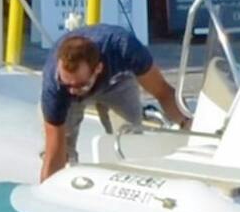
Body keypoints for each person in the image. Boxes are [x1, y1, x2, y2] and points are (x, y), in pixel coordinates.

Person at [39, 25, 177, 179]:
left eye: (79, 85)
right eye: (68, 84)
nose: (72, 90)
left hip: (116, 83)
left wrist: (187, 124)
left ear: (98, 68)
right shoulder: (55, 85)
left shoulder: (124, 48)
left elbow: (163, 92)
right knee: (63, 151)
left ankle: (128, 182)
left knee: (130, 143)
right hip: (65, 96)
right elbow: (53, 150)